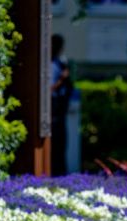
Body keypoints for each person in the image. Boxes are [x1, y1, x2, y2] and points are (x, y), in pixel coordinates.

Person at [51, 34, 73, 177]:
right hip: (52, 107)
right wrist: (61, 80)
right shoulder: (50, 65)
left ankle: (61, 174)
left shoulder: (60, 63)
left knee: (60, 144)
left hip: (60, 108)